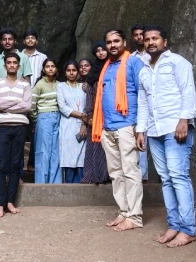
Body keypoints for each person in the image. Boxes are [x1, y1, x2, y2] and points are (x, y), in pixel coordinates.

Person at [136, 25, 196, 248]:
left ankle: (188, 229)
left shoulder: (178, 63)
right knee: (166, 178)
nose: (151, 42)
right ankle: (174, 224)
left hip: (175, 128)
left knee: (179, 176)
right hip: (154, 131)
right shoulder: (143, 69)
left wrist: (184, 120)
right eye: (147, 39)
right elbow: (143, 102)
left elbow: (188, 91)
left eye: (155, 38)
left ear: (165, 42)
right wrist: (141, 130)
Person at [92, 29, 144, 231]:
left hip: (127, 126)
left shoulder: (133, 63)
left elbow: (144, 95)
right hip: (107, 128)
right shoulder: (106, 66)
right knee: (116, 173)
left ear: (124, 42)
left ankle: (135, 216)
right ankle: (124, 212)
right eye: (109, 42)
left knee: (131, 171)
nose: (112, 45)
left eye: (116, 41)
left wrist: (140, 128)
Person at [0, 53, 32, 218]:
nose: (12, 65)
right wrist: (16, 103)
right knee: (2, 167)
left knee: (16, 166)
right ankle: (0, 205)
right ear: (5, 65)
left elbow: (27, 106)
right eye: (9, 63)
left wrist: (5, 105)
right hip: (4, 128)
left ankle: (10, 202)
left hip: (20, 127)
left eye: (15, 63)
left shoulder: (25, 85)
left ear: (19, 66)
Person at [81, 41, 109, 184]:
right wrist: (90, 115)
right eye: (97, 50)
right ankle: (95, 176)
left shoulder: (113, 68)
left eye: (103, 49)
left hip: (111, 114)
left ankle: (109, 176)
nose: (101, 53)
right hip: (96, 114)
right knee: (95, 146)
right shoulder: (93, 72)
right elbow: (90, 94)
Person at [30, 58, 61, 183]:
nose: (50, 68)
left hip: (58, 117)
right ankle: (41, 182)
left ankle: (55, 182)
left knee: (56, 151)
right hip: (43, 117)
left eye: (53, 66)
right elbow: (32, 106)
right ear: (43, 69)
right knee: (43, 151)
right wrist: (37, 120)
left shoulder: (60, 85)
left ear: (56, 69)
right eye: (47, 66)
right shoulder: (39, 85)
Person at [57, 60, 87, 183]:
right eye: (68, 70)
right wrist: (82, 116)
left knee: (82, 157)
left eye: (74, 70)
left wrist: (84, 124)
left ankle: (81, 187)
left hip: (82, 126)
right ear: (65, 72)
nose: (71, 73)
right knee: (68, 157)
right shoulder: (61, 86)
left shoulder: (83, 87)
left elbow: (87, 105)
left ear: (78, 72)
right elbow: (62, 107)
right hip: (68, 125)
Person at [22, 28, 48, 172]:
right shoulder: (18, 57)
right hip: (20, 97)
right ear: (23, 41)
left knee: (36, 131)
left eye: (33, 38)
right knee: (20, 129)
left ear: (37, 41)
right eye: (28, 38)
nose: (30, 40)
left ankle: (32, 163)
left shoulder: (43, 57)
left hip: (38, 99)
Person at [0, 27, 33, 93]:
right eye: (4, 39)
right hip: (1, 97)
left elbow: (27, 81)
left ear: (15, 41)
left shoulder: (23, 58)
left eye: (10, 39)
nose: (7, 42)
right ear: (1, 42)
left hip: (18, 96)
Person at [130, 23, 151, 183]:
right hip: (137, 101)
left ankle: (145, 176)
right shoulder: (131, 58)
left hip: (153, 99)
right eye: (136, 35)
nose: (139, 37)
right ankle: (140, 175)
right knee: (139, 136)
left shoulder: (153, 56)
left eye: (141, 34)